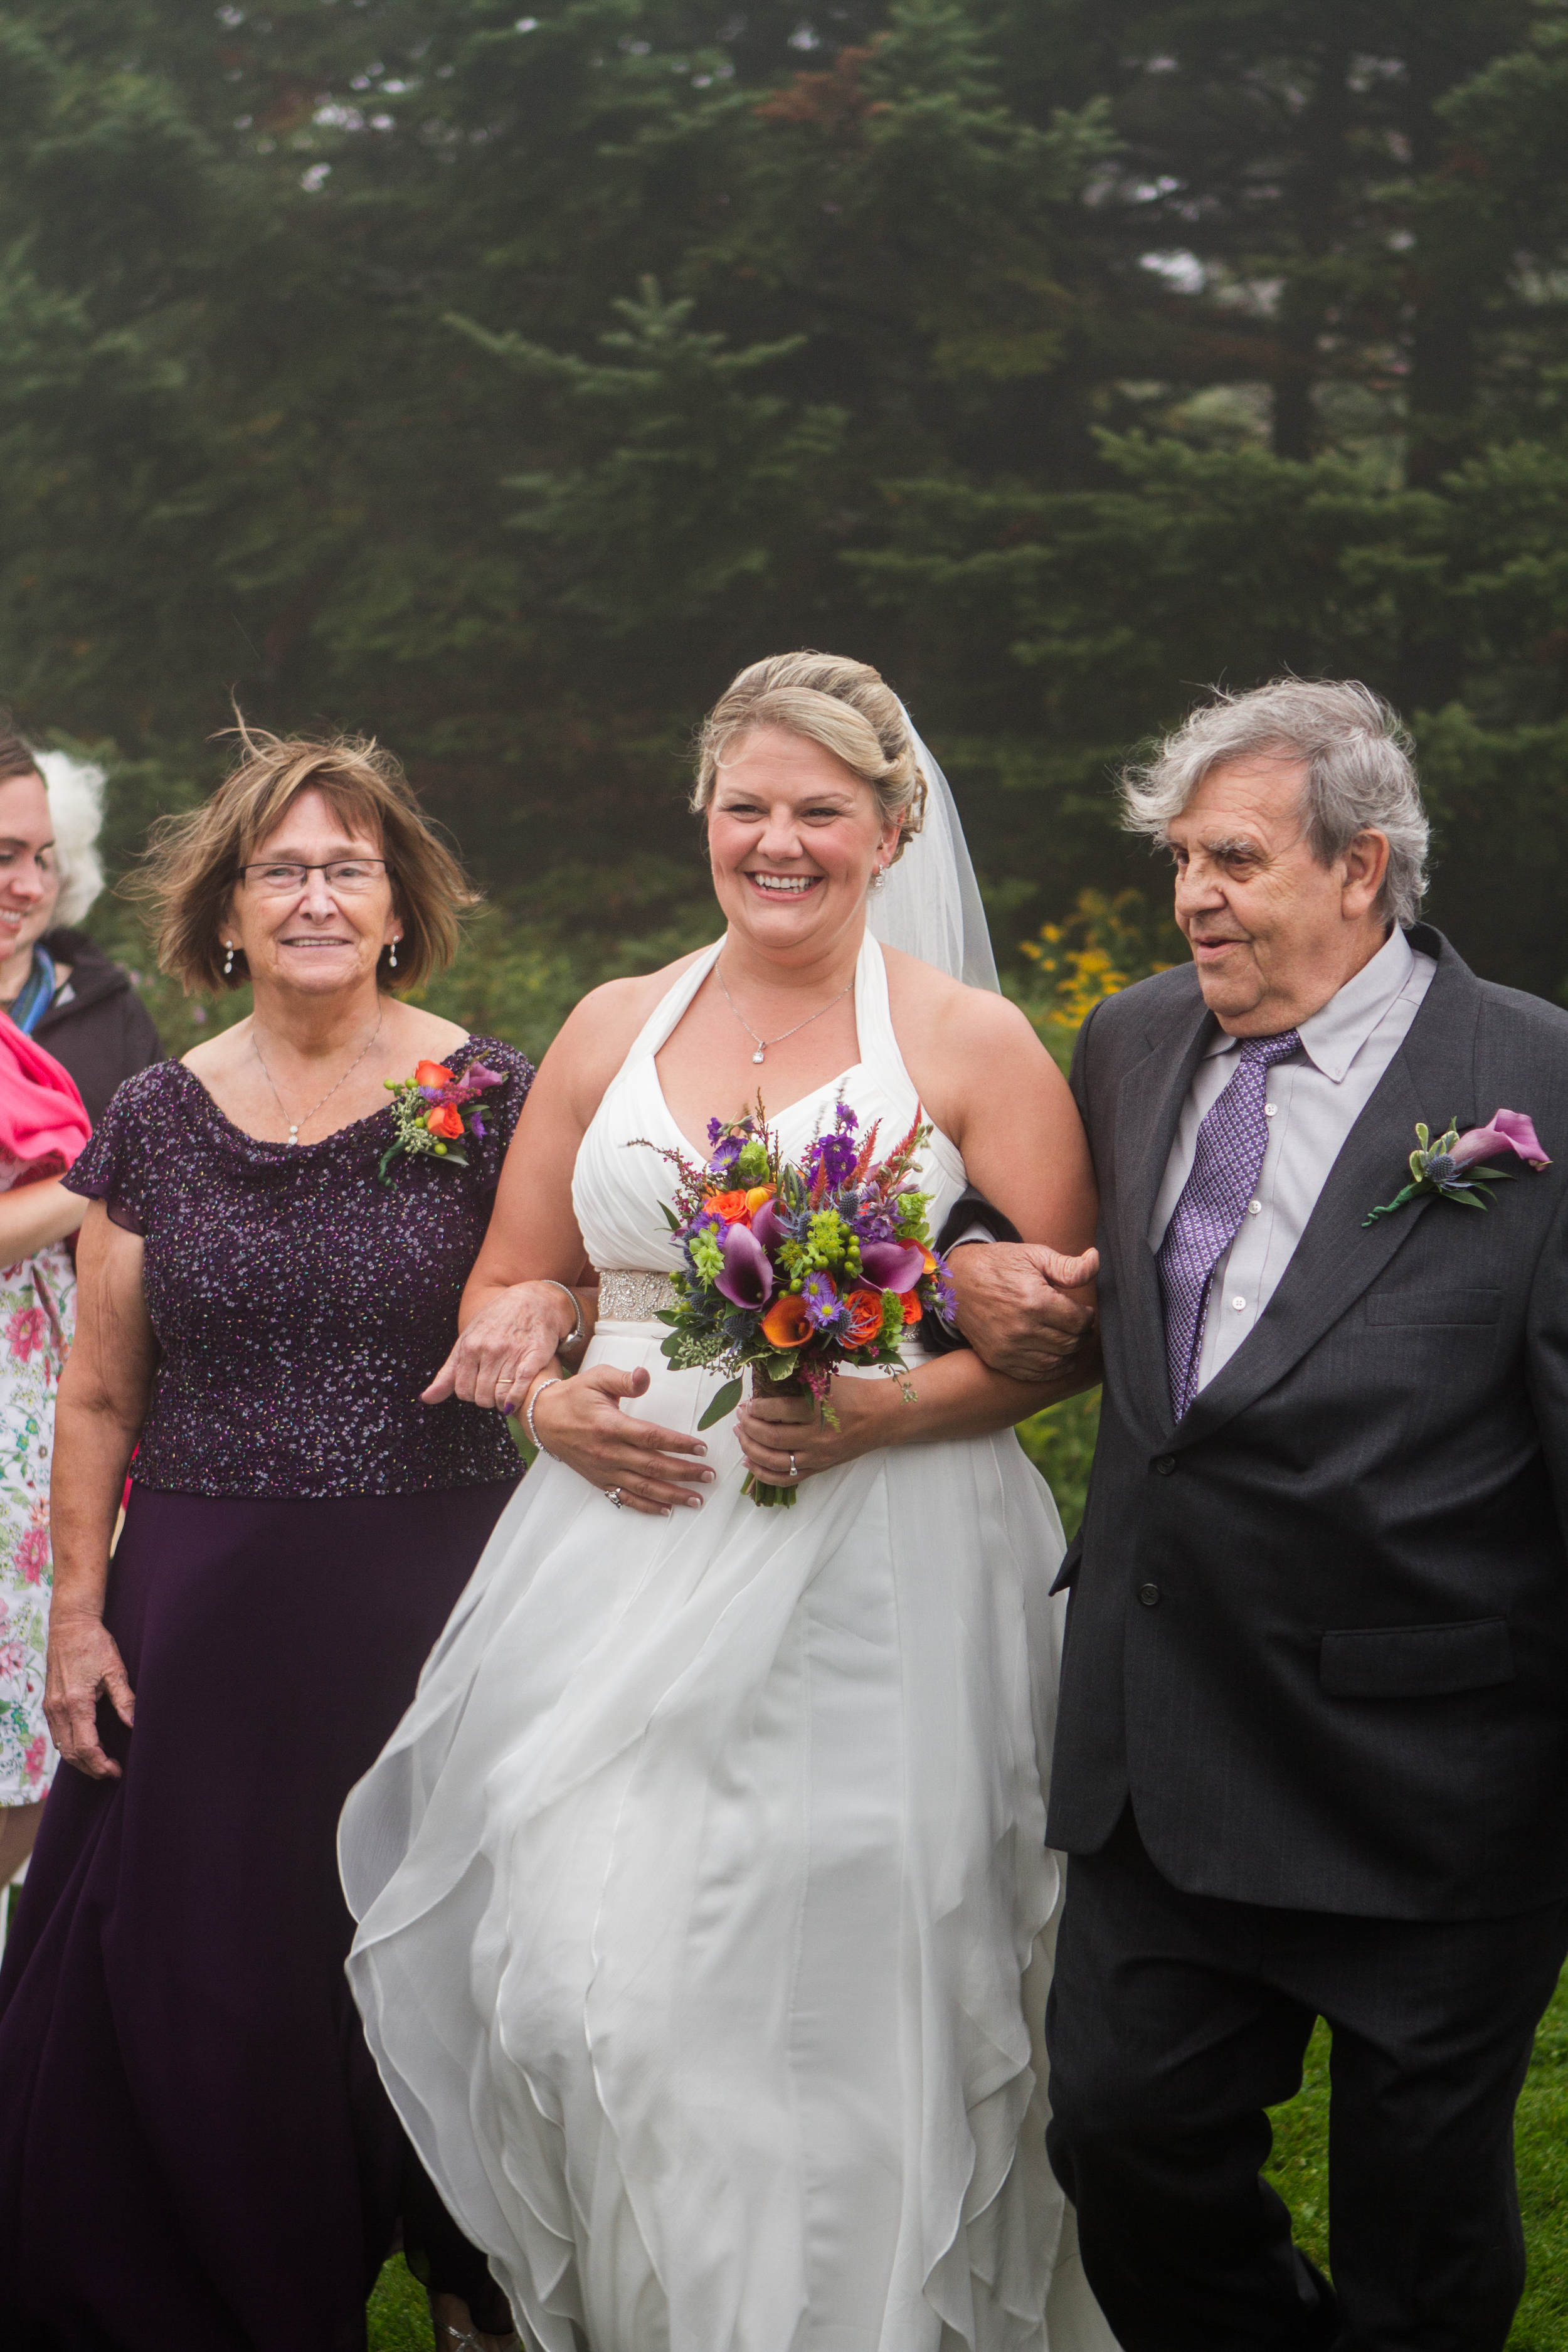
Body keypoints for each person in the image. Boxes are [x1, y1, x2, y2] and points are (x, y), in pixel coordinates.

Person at [341, 652, 1115, 2351]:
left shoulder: (972, 1041)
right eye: (747, 805)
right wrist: (545, 1397)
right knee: (572, 1975)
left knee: (847, 1993)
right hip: (617, 1545)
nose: (779, 841)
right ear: (703, 813)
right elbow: (508, 1282)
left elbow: (1067, 1332)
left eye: (820, 810)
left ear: (894, 826)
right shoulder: (617, 1021)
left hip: (886, 1569)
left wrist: (875, 1405)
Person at [950, 677, 1568, 2351]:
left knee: (1421, 2234)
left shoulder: (1536, 1080)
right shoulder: (1135, 1035)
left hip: (1428, 1775)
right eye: (1177, 858)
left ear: (1361, 867)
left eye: (1230, 858)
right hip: (1164, 1753)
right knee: (1125, 2148)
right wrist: (965, 1264)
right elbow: (997, 1222)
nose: (1190, 896)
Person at [0, 729, 538, 2352]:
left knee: (458, 1956)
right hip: (205, 1614)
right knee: (208, 1985)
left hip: (438, 1601)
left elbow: (560, 1290)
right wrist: (78, 1622)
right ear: (227, 911)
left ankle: (474, 2275)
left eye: (347, 867)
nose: (314, 895)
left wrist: (549, 1313)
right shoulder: (158, 1110)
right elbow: (97, 1393)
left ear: (399, 905)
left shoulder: (487, 1090)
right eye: (281, 868)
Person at [0, 1019, 92, 1932]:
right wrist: (92, 1179)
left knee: (29, 1743)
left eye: (38, 862)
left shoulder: (20, 1045)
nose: (21, 883)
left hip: (31, 1433)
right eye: (3, 862)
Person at [0, 724, 162, 1121]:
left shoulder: (110, 1008)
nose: (33, 888)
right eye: (5, 856)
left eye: (44, 860)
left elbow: (158, 1174)